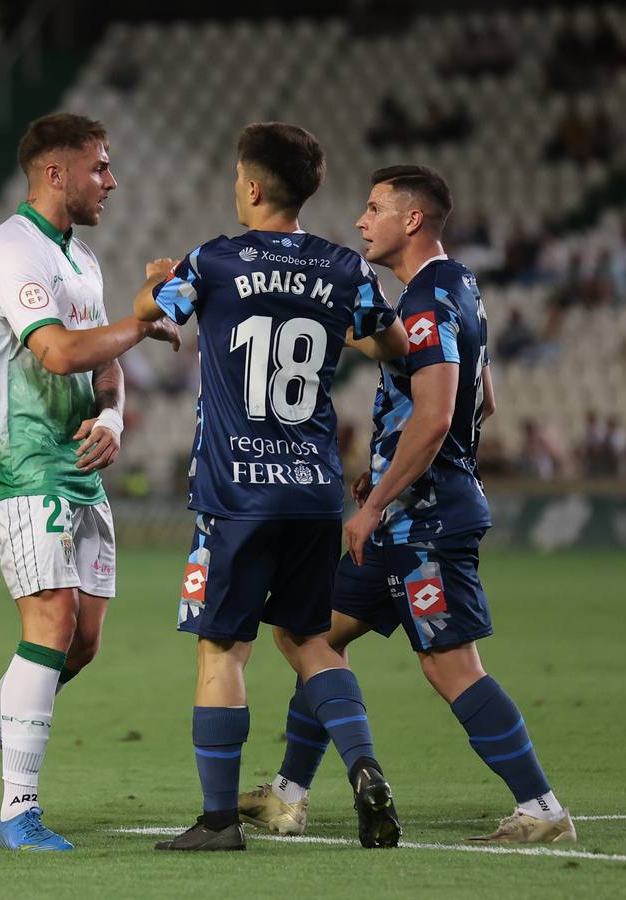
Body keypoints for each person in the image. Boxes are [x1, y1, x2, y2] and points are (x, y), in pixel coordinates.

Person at [240, 165, 576, 845]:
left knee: (449, 665)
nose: (361, 221)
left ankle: (541, 808)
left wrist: (378, 500)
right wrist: (389, 475)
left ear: (412, 219)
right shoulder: (462, 288)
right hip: (407, 510)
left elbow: (436, 415)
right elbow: (483, 400)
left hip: (425, 520)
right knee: (308, 634)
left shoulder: (423, 302)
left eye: (374, 209)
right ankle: (287, 795)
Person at [137, 123, 409, 853]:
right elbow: (393, 346)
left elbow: (150, 313)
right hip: (313, 489)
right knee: (309, 639)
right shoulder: (346, 268)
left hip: (235, 495)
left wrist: (155, 281)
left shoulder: (214, 260)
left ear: (253, 186)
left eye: (237, 177)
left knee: (222, 649)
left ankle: (218, 822)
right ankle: (364, 767)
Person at [0, 112, 179, 852]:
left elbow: (102, 366)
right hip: (19, 463)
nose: (111, 180)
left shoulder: (83, 259)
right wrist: (142, 320)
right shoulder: (12, 249)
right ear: (54, 172)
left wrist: (114, 418)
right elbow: (61, 352)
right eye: (99, 166)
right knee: (49, 623)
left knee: (81, 641)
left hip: (76, 465)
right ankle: (19, 811)